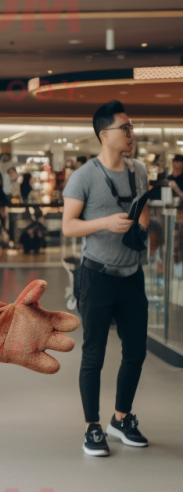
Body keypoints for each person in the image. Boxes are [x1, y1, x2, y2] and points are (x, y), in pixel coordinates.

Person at [62, 100, 150, 458]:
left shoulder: (139, 170)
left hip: (132, 275)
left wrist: (143, 231)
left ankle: (121, 418)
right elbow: (69, 227)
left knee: (136, 353)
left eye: (131, 128)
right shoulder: (84, 176)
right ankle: (92, 426)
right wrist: (105, 222)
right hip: (96, 276)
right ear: (104, 134)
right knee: (93, 355)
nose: (131, 134)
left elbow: (142, 212)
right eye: (124, 128)